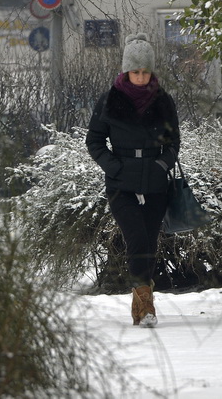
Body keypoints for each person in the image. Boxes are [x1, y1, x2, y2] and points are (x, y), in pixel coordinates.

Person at [86, 32, 180, 327]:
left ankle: (142, 306)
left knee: (149, 242)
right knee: (136, 237)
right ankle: (146, 305)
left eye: (145, 71)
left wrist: (161, 165)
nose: (140, 77)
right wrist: (114, 168)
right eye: (135, 71)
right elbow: (95, 141)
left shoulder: (163, 101)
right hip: (120, 183)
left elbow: (173, 143)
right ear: (126, 70)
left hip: (155, 182)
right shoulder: (109, 100)